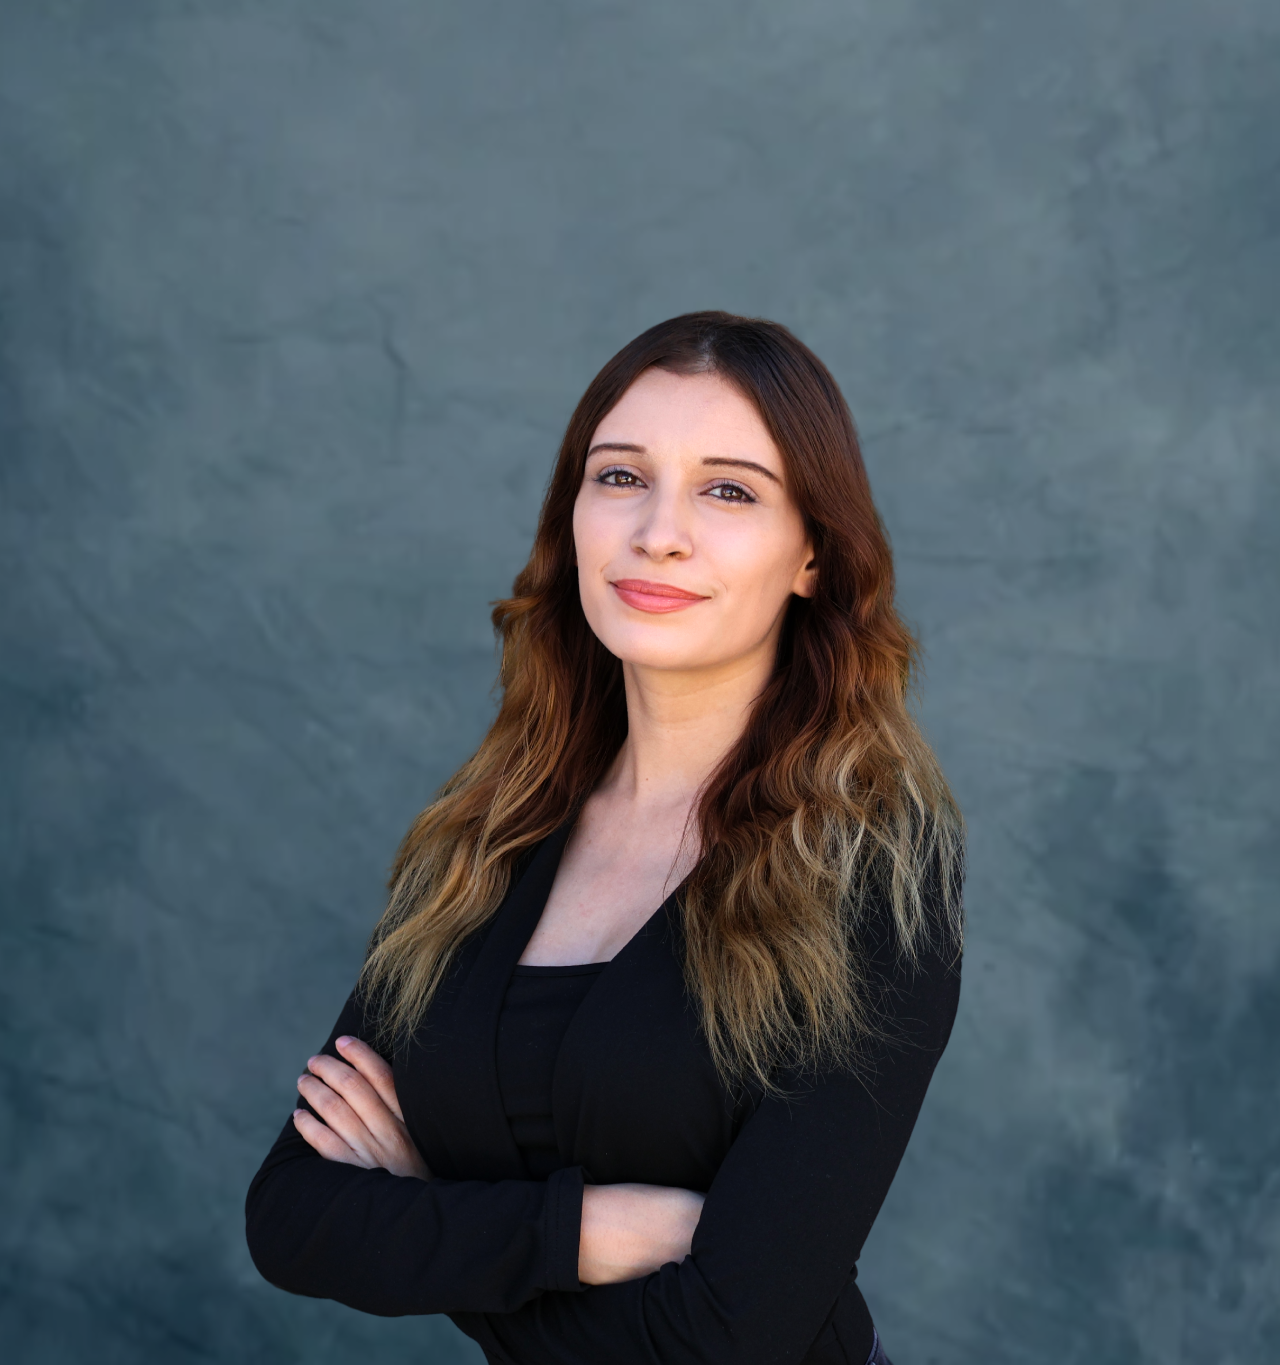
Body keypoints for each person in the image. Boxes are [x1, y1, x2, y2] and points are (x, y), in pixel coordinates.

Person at [244, 310, 965, 1365]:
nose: (656, 531)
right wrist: (587, 1232)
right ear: (571, 514)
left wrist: (429, 1210)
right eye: (619, 476)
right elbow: (295, 1218)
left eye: (728, 491)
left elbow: (726, 1341)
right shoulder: (488, 835)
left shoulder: (872, 872)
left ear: (812, 555)